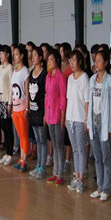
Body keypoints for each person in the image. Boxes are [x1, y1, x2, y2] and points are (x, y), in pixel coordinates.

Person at [87, 50, 111, 202]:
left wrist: (110, 127)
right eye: (95, 60)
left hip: (104, 122)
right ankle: (99, 187)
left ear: (105, 63)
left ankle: (106, 188)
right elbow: (89, 102)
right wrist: (88, 122)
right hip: (94, 120)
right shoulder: (92, 80)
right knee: (97, 157)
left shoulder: (109, 81)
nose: (96, 63)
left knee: (105, 157)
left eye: (99, 60)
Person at [66, 50, 90, 193]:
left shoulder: (84, 77)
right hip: (70, 119)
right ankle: (76, 176)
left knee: (81, 150)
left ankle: (81, 179)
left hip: (80, 119)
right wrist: (66, 118)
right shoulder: (70, 78)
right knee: (75, 150)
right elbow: (69, 99)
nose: (72, 63)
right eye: (70, 61)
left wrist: (86, 119)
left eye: (74, 61)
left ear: (79, 61)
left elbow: (87, 101)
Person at [45, 49, 67, 186]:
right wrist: (45, 114)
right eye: (48, 60)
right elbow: (47, 96)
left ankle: (60, 173)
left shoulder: (60, 77)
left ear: (57, 61)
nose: (49, 62)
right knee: (53, 143)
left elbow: (63, 98)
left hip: (58, 115)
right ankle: (55, 172)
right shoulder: (48, 76)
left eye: (52, 60)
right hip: (49, 114)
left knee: (59, 145)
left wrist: (63, 117)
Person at [28, 46, 47, 179]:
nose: (33, 57)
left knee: (42, 140)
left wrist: (45, 113)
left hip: (41, 111)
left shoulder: (44, 74)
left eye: (35, 55)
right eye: (32, 55)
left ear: (40, 58)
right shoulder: (31, 73)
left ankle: (42, 167)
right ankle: (38, 165)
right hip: (33, 111)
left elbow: (45, 95)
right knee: (37, 139)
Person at [11, 45, 30, 172]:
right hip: (15, 108)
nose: (15, 56)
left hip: (22, 107)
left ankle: (24, 160)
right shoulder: (15, 70)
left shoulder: (25, 71)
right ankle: (21, 158)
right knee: (19, 134)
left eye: (17, 54)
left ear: (22, 56)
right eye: (14, 54)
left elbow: (27, 92)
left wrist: (27, 109)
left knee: (24, 135)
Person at [0, 45, 15, 166]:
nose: (1, 56)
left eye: (2, 54)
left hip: (7, 101)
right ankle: (6, 154)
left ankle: (10, 153)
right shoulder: (0, 67)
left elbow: (11, 86)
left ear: (8, 55)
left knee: (8, 128)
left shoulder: (10, 67)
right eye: (0, 54)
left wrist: (10, 103)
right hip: (0, 99)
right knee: (3, 126)